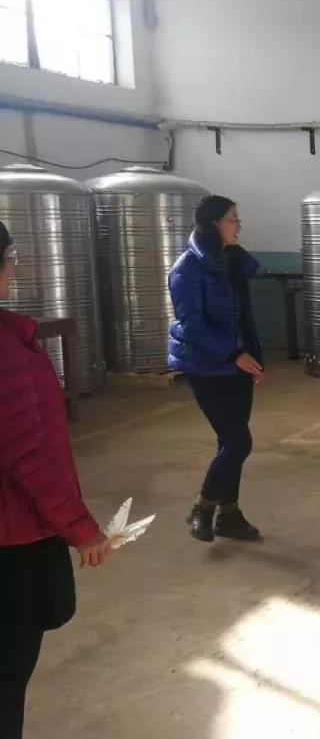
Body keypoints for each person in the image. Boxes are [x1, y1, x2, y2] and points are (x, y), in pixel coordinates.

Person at [0, 221, 112, 739]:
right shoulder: (5, 351)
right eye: (11, 258)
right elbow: (27, 453)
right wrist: (80, 527)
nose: (13, 268)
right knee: (7, 674)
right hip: (12, 541)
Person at [168, 195, 264, 543]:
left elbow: (243, 317)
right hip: (205, 366)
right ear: (213, 224)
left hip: (237, 363)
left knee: (230, 442)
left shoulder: (231, 262)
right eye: (232, 219)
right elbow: (193, 326)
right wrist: (233, 355)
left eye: (238, 218)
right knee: (239, 441)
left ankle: (230, 515)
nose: (238, 225)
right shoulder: (187, 269)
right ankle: (203, 506)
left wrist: (252, 357)